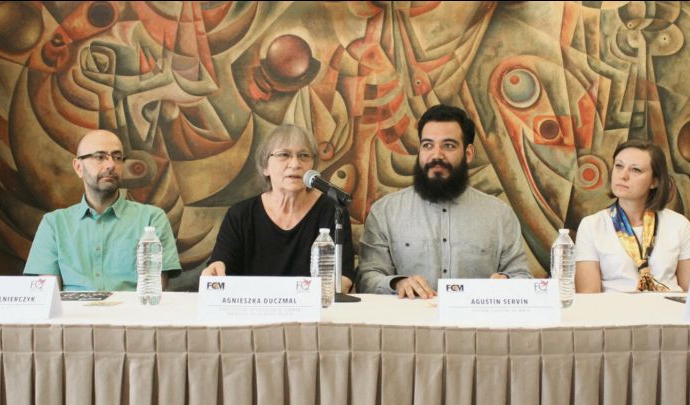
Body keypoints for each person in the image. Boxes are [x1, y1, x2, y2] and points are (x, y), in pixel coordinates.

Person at [356, 104, 531, 299]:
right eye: (428, 145)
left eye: (448, 145)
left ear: (469, 153)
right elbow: (366, 278)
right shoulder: (385, 212)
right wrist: (398, 283)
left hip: (476, 326)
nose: (436, 155)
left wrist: (507, 283)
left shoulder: (499, 215)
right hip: (411, 326)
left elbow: (522, 276)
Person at [202, 124, 355, 292]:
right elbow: (218, 267)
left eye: (304, 155)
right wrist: (215, 269)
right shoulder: (240, 215)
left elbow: (344, 279)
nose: (295, 164)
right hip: (252, 313)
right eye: (284, 155)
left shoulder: (332, 211)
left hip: (314, 312)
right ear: (264, 167)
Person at [24, 129, 181, 291]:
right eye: (100, 157)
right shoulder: (54, 224)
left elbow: (153, 294)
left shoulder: (152, 219)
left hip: (130, 315)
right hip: (73, 315)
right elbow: (48, 297)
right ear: (78, 167)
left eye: (117, 157)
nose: (111, 165)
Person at [575, 139, 690, 293]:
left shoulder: (679, 224)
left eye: (635, 170)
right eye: (619, 166)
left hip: (669, 313)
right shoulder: (591, 226)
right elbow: (588, 297)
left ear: (654, 181)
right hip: (615, 314)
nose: (623, 176)